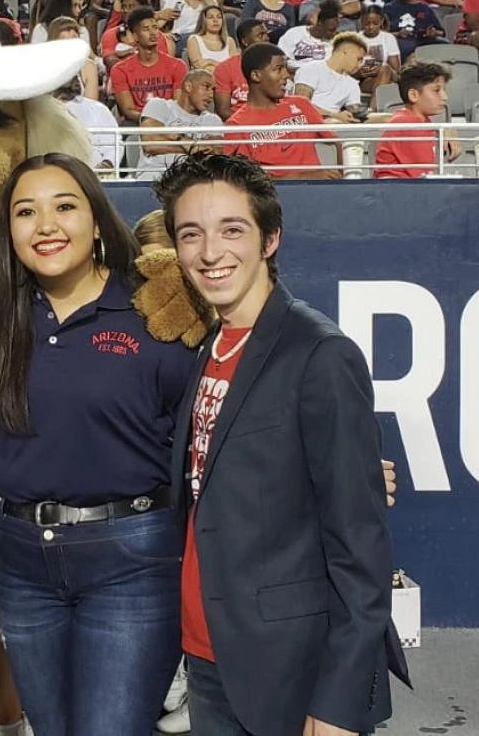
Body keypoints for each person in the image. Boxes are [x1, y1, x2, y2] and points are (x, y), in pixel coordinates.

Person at [153, 149, 404, 736]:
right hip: (210, 657)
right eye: (191, 234)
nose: (210, 253)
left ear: (270, 239)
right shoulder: (208, 349)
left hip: (291, 669)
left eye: (231, 230)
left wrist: (339, 701)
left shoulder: (320, 354)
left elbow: (359, 548)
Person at [0, 152, 195, 736]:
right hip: (22, 558)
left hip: (132, 556)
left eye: (65, 206)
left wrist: (331, 462)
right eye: (26, 212)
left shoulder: (159, 308)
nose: (46, 225)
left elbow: (222, 414)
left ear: (98, 220)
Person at [225, 42, 339, 179]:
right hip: (274, 197)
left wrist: (342, 180)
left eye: (286, 68)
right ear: (255, 75)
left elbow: (338, 142)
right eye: (278, 69)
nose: (286, 75)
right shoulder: (237, 125)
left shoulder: (301, 105)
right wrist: (301, 178)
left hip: (319, 193)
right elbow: (242, 182)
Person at [375, 61, 460, 178]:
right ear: (413, 95)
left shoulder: (421, 121)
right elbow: (426, 176)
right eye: (436, 90)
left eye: (444, 90)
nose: (445, 97)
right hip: (397, 191)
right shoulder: (406, 124)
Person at [138, 69, 221, 179]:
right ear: (188, 87)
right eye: (206, 87)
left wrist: (169, 137)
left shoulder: (212, 120)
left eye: (213, 90)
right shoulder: (159, 105)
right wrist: (192, 147)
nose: (211, 95)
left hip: (193, 180)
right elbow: (150, 143)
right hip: (154, 175)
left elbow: (214, 152)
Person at [111, 7, 188, 124]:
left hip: (172, 122)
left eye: (155, 28)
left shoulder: (177, 66)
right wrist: (151, 121)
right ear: (135, 36)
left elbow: (179, 106)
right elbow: (128, 110)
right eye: (146, 29)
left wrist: (165, 122)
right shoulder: (120, 70)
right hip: (139, 123)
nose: (153, 33)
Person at [292, 32, 367, 122]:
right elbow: (300, 105)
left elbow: (355, 112)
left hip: (336, 122)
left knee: (385, 119)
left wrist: (362, 113)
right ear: (345, 52)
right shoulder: (311, 69)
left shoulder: (352, 84)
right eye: (359, 59)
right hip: (306, 121)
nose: (360, 65)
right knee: (334, 122)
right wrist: (334, 115)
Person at [383, 0, 447, 61]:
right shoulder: (388, 8)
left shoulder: (424, 8)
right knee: (408, 47)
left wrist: (433, 32)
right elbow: (381, 34)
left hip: (424, 40)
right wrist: (398, 34)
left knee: (445, 45)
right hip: (401, 41)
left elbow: (442, 32)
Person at [213, 19, 268, 120]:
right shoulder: (224, 68)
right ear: (245, 41)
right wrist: (251, 124)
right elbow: (223, 111)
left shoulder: (273, 66)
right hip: (239, 124)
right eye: (260, 35)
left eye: (266, 34)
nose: (266, 38)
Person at [278, 0, 341, 72]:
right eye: (331, 30)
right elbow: (280, 60)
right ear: (319, 25)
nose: (334, 33)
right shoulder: (294, 33)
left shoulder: (335, 43)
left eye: (335, 29)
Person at [187, 5, 237, 72]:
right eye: (210, 17)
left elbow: (233, 67)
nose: (215, 20)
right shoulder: (194, 39)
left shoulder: (230, 41)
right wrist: (223, 67)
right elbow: (198, 65)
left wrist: (210, 62)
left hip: (228, 79)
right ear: (203, 20)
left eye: (219, 17)